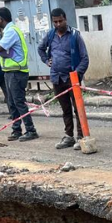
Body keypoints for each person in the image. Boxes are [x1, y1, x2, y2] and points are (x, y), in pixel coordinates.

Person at [37, 8, 89, 149]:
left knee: (77, 109)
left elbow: (85, 59)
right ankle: (69, 136)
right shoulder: (50, 35)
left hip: (72, 79)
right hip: (57, 78)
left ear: (65, 19)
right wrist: (46, 60)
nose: (58, 24)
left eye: (61, 21)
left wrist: (76, 74)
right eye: (55, 22)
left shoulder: (74, 36)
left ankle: (81, 136)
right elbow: (40, 49)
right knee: (65, 109)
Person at [0, 7, 37, 141]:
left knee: (18, 102)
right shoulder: (9, 31)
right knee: (12, 102)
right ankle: (16, 130)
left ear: (1, 19)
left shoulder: (11, 31)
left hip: (17, 72)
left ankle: (31, 130)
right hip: (10, 72)